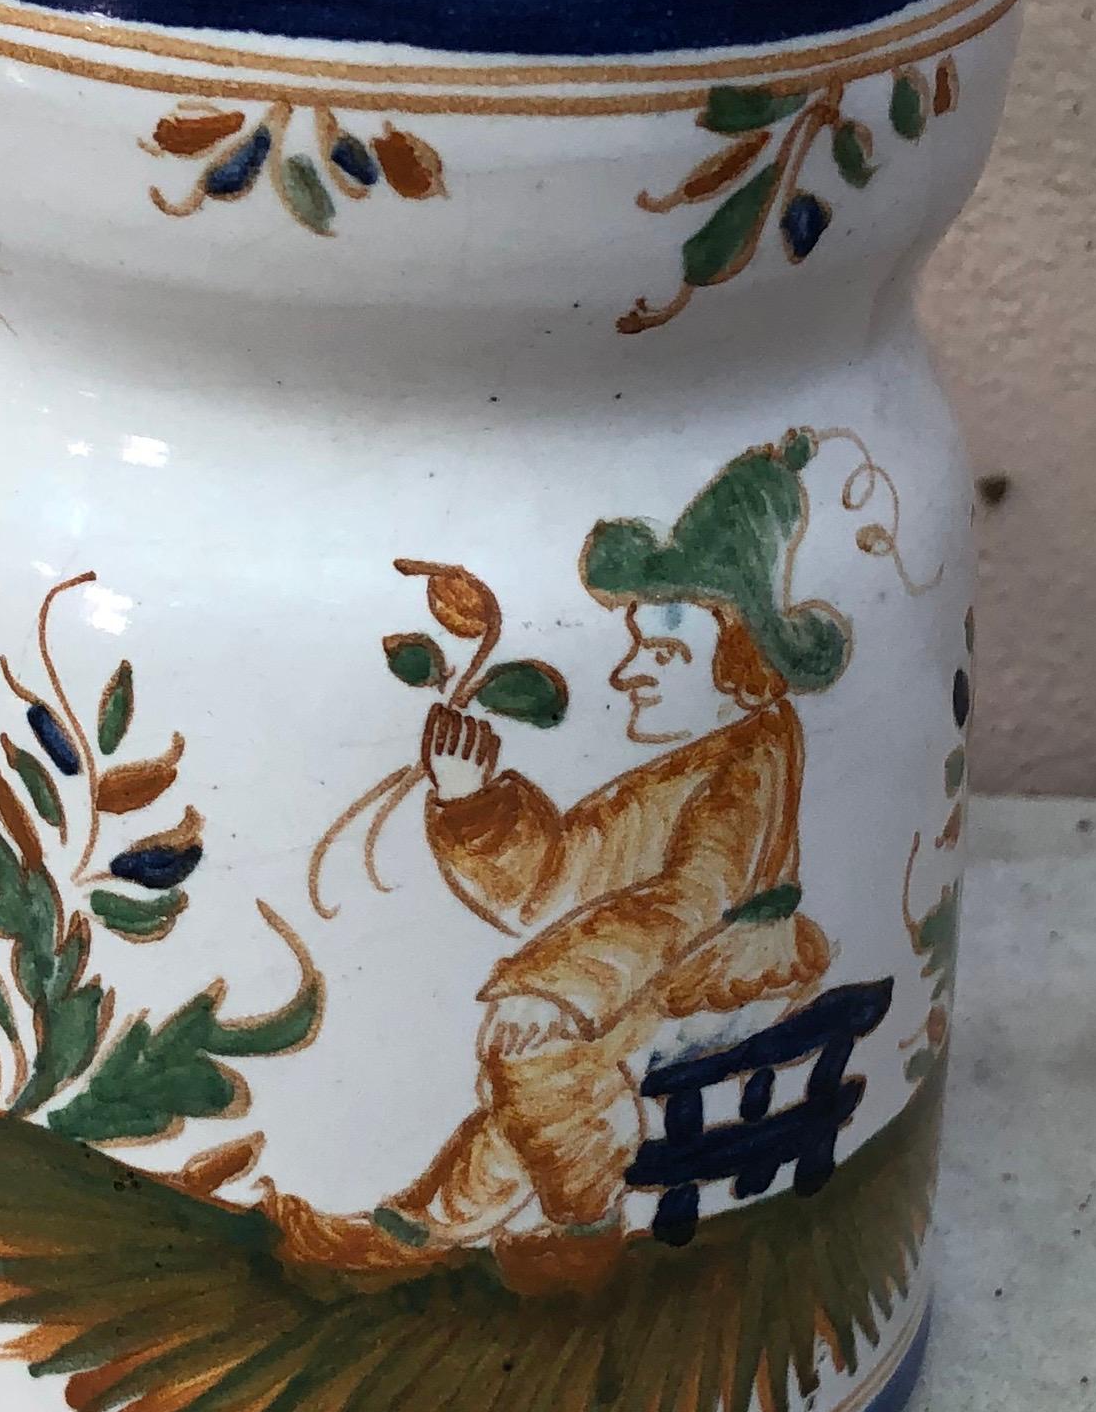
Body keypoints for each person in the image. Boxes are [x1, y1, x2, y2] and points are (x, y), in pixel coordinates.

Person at [265, 435, 850, 1288]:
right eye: (637, 647)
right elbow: (563, 875)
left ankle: (581, 1233)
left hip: (729, 964)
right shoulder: (678, 771)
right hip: (662, 967)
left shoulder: (749, 759)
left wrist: (560, 990)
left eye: (661, 654)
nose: (628, 672)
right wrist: (474, 803)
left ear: (739, 666)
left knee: (541, 1059)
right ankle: (418, 1235)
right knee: (532, 1081)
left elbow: (695, 899)